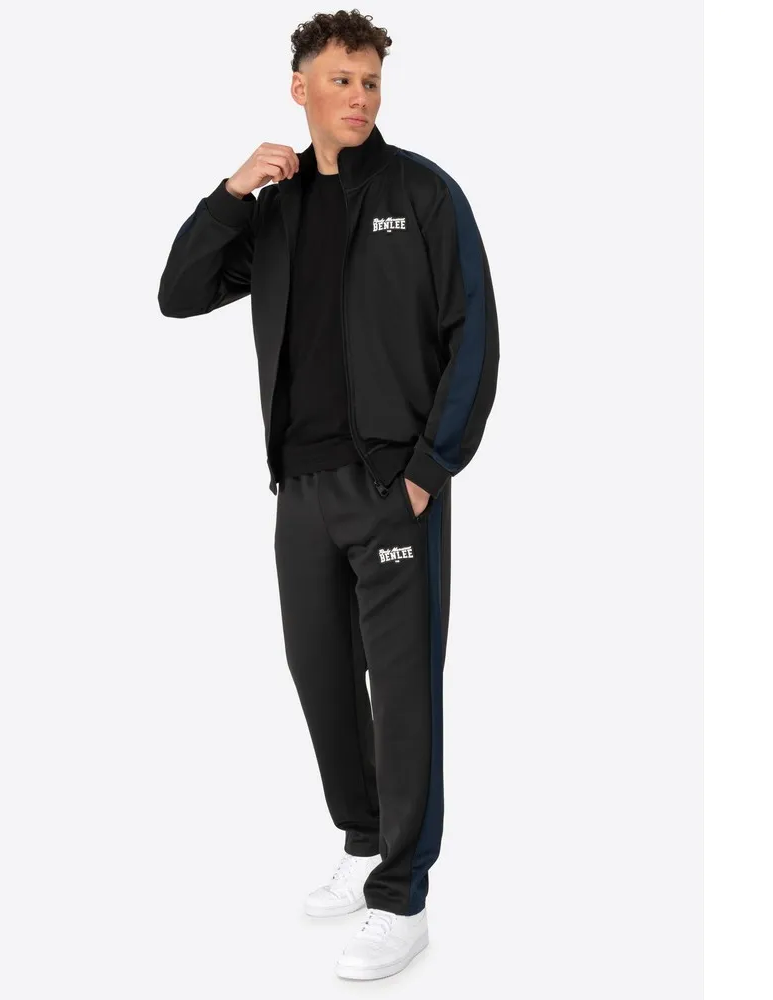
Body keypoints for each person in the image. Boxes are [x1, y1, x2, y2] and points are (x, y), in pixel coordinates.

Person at [157, 10, 499, 981]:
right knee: (321, 678)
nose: (359, 96)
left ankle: (402, 897)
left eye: (370, 81)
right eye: (341, 79)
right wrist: (229, 195)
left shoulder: (421, 192)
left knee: (404, 693)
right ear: (299, 88)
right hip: (299, 490)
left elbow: (474, 333)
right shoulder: (273, 210)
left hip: (392, 486)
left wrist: (429, 469)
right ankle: (362, 840)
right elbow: (178, 294)